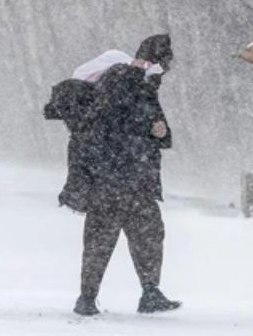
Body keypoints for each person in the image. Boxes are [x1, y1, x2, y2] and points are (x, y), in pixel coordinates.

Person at [73, 34, 181, 316]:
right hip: (115, 178)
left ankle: (147, 292)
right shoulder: (120, 76)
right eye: (162, 65)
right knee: (106, 239)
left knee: (143, 236)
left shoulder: (142, 85)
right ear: (150, 59)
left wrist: (159, 132)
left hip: (133, 179)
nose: (163, 73)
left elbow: (160, 131)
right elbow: (115, 119)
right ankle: (88, 297)